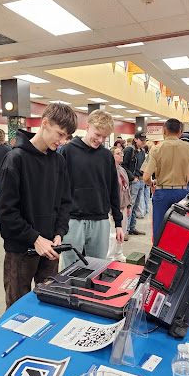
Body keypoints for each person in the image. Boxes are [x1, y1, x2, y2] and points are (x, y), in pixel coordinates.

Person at [0, 103, 77, 308]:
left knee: (50, 304)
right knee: (18, 308)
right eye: (60, 134)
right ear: (45, 123)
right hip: (21, 250)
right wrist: (34, 238)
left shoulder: (59, 161)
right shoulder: (15, 159)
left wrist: (59, 233)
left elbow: (64, 202)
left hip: (51, 247)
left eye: (66, 137)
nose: (62, 142)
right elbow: (6, 212)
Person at [60, 110, 123, 269]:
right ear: (87, 127)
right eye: (98, 134)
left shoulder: (106, 156)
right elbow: (58, 189)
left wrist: (118, 222)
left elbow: (113, 190)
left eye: (105, 137)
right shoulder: (68, 151)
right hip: (73, 219)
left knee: (97, 267)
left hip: (100, 219)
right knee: (70, 268)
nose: (100, 140)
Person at [142, 118, 189, 239]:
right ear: (180, 132)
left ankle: (159, 256)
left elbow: (146, 177)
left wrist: (152, 184)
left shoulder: (156, 148)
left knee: (160, 230)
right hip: (182, 193)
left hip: (162, 192)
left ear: (164, 131)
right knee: (181, 230)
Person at [106, 146, 131, 262]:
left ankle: (119, 253)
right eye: (118, 153)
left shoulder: (122, 170)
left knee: (122, 231)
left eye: (121, 153)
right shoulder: (108, 171)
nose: (121, 155)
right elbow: (108, 192)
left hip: (123, 206)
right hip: (113, 208)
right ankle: (110, 256)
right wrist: (111, 211)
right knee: (112, 234)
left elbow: (127, 189)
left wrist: (128, 205)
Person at [121, 131, 147, 236]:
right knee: (130, 206)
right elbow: (123, 165)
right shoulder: (129, 150)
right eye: (141, 140)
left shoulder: (141, 151)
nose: (143, 142)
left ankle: (132, 227)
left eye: (145, 140)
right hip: (134, 181)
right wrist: (132, 178)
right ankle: (126, 230)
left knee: (136, 206)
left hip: (140, 181)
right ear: (135, 139)